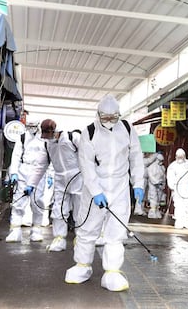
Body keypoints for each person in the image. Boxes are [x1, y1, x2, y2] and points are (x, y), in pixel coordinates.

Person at [65, 95, 144, 292]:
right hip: (95, 189)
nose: (109, 121)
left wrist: (139, 183)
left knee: (116, 232)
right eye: (105, 118)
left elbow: (136, 156)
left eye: (113, 117)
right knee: (87, 229)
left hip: (120, 187)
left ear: (119, 115)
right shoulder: (89, 132)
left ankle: (112, 272)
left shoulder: (127, 129)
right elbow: (86, 165)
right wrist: (96, 191)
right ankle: (82, 266)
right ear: (98, 115)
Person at [26, 119, 83, 252]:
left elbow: (88, 156)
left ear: (55, 131)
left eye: (49, 134)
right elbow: (40, 166)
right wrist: (31, 184)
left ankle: (81, 238)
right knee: (58, 210)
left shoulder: (73, 138)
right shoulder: (47, 145)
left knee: (80, 211)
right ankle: (59, 239)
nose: (47, 138)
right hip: (60, 180)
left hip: (78, 178)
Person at [6, 119, 48, 242]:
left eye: (33, 126)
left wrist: (50, 174)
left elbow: (50, 157)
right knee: (18, 202)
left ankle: (36, 230)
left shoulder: (45, 138)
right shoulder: (23, 137)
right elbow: (16, 156)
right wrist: (13, 172)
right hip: (24, 171)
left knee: (37, 202)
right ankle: (15, 230)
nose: (31, 128)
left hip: (39, 172)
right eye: (29, 126)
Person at [166, 148, 188, 229]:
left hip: (187, 188)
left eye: (182, 156)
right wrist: (172, 186)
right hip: (177, 188)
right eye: (179, 156)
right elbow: (170, 177)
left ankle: (186, 220)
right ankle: (179, 221)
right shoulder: (173, 166)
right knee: (178, 205)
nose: (180, 158)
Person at [147, 153, 166, 219]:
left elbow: (164, 177)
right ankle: (152, 212)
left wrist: (163, 184)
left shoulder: (162, 168)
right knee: (153, 197)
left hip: (160, 186)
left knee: (158, 198)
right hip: (153, 185)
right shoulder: (151, 167)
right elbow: (151, 176)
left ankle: (157, 210)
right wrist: (156, 181)